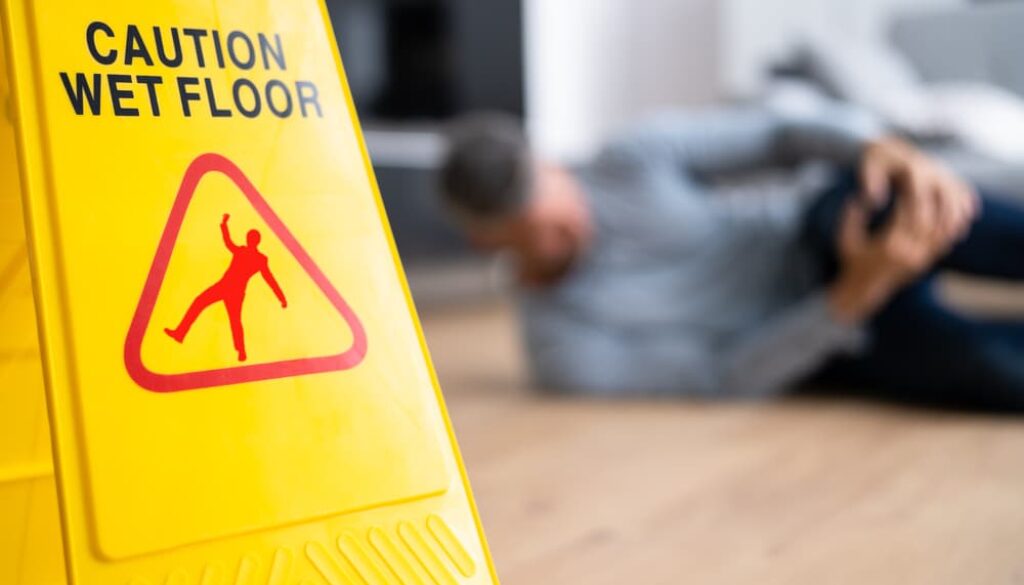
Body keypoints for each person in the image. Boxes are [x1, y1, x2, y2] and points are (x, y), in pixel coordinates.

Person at [438, 104, 1024, 411]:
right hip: (821, 336)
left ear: (551, 165)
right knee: (987, 366)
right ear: (487, 244)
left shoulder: (631, 158)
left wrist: (889, 151)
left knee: (928, 205)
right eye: (545, 233)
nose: (574, 224)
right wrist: (854, 295)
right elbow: (723, 376)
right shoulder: (562, 350)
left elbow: (779, 134)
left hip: (821, 229)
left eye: (559, 197)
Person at [165, 213, 287, 362]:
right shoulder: (259, 258)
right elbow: (270, 280)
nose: (248, 240)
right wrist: (281, 298)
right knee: (215, 310)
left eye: (250, 238)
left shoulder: (248, 254)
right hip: (230, 288)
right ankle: (181, 334)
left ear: (251, 240)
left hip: (228, 288)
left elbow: (229, 243)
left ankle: (240, 350)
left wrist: (224, 224)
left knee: (226, 316)